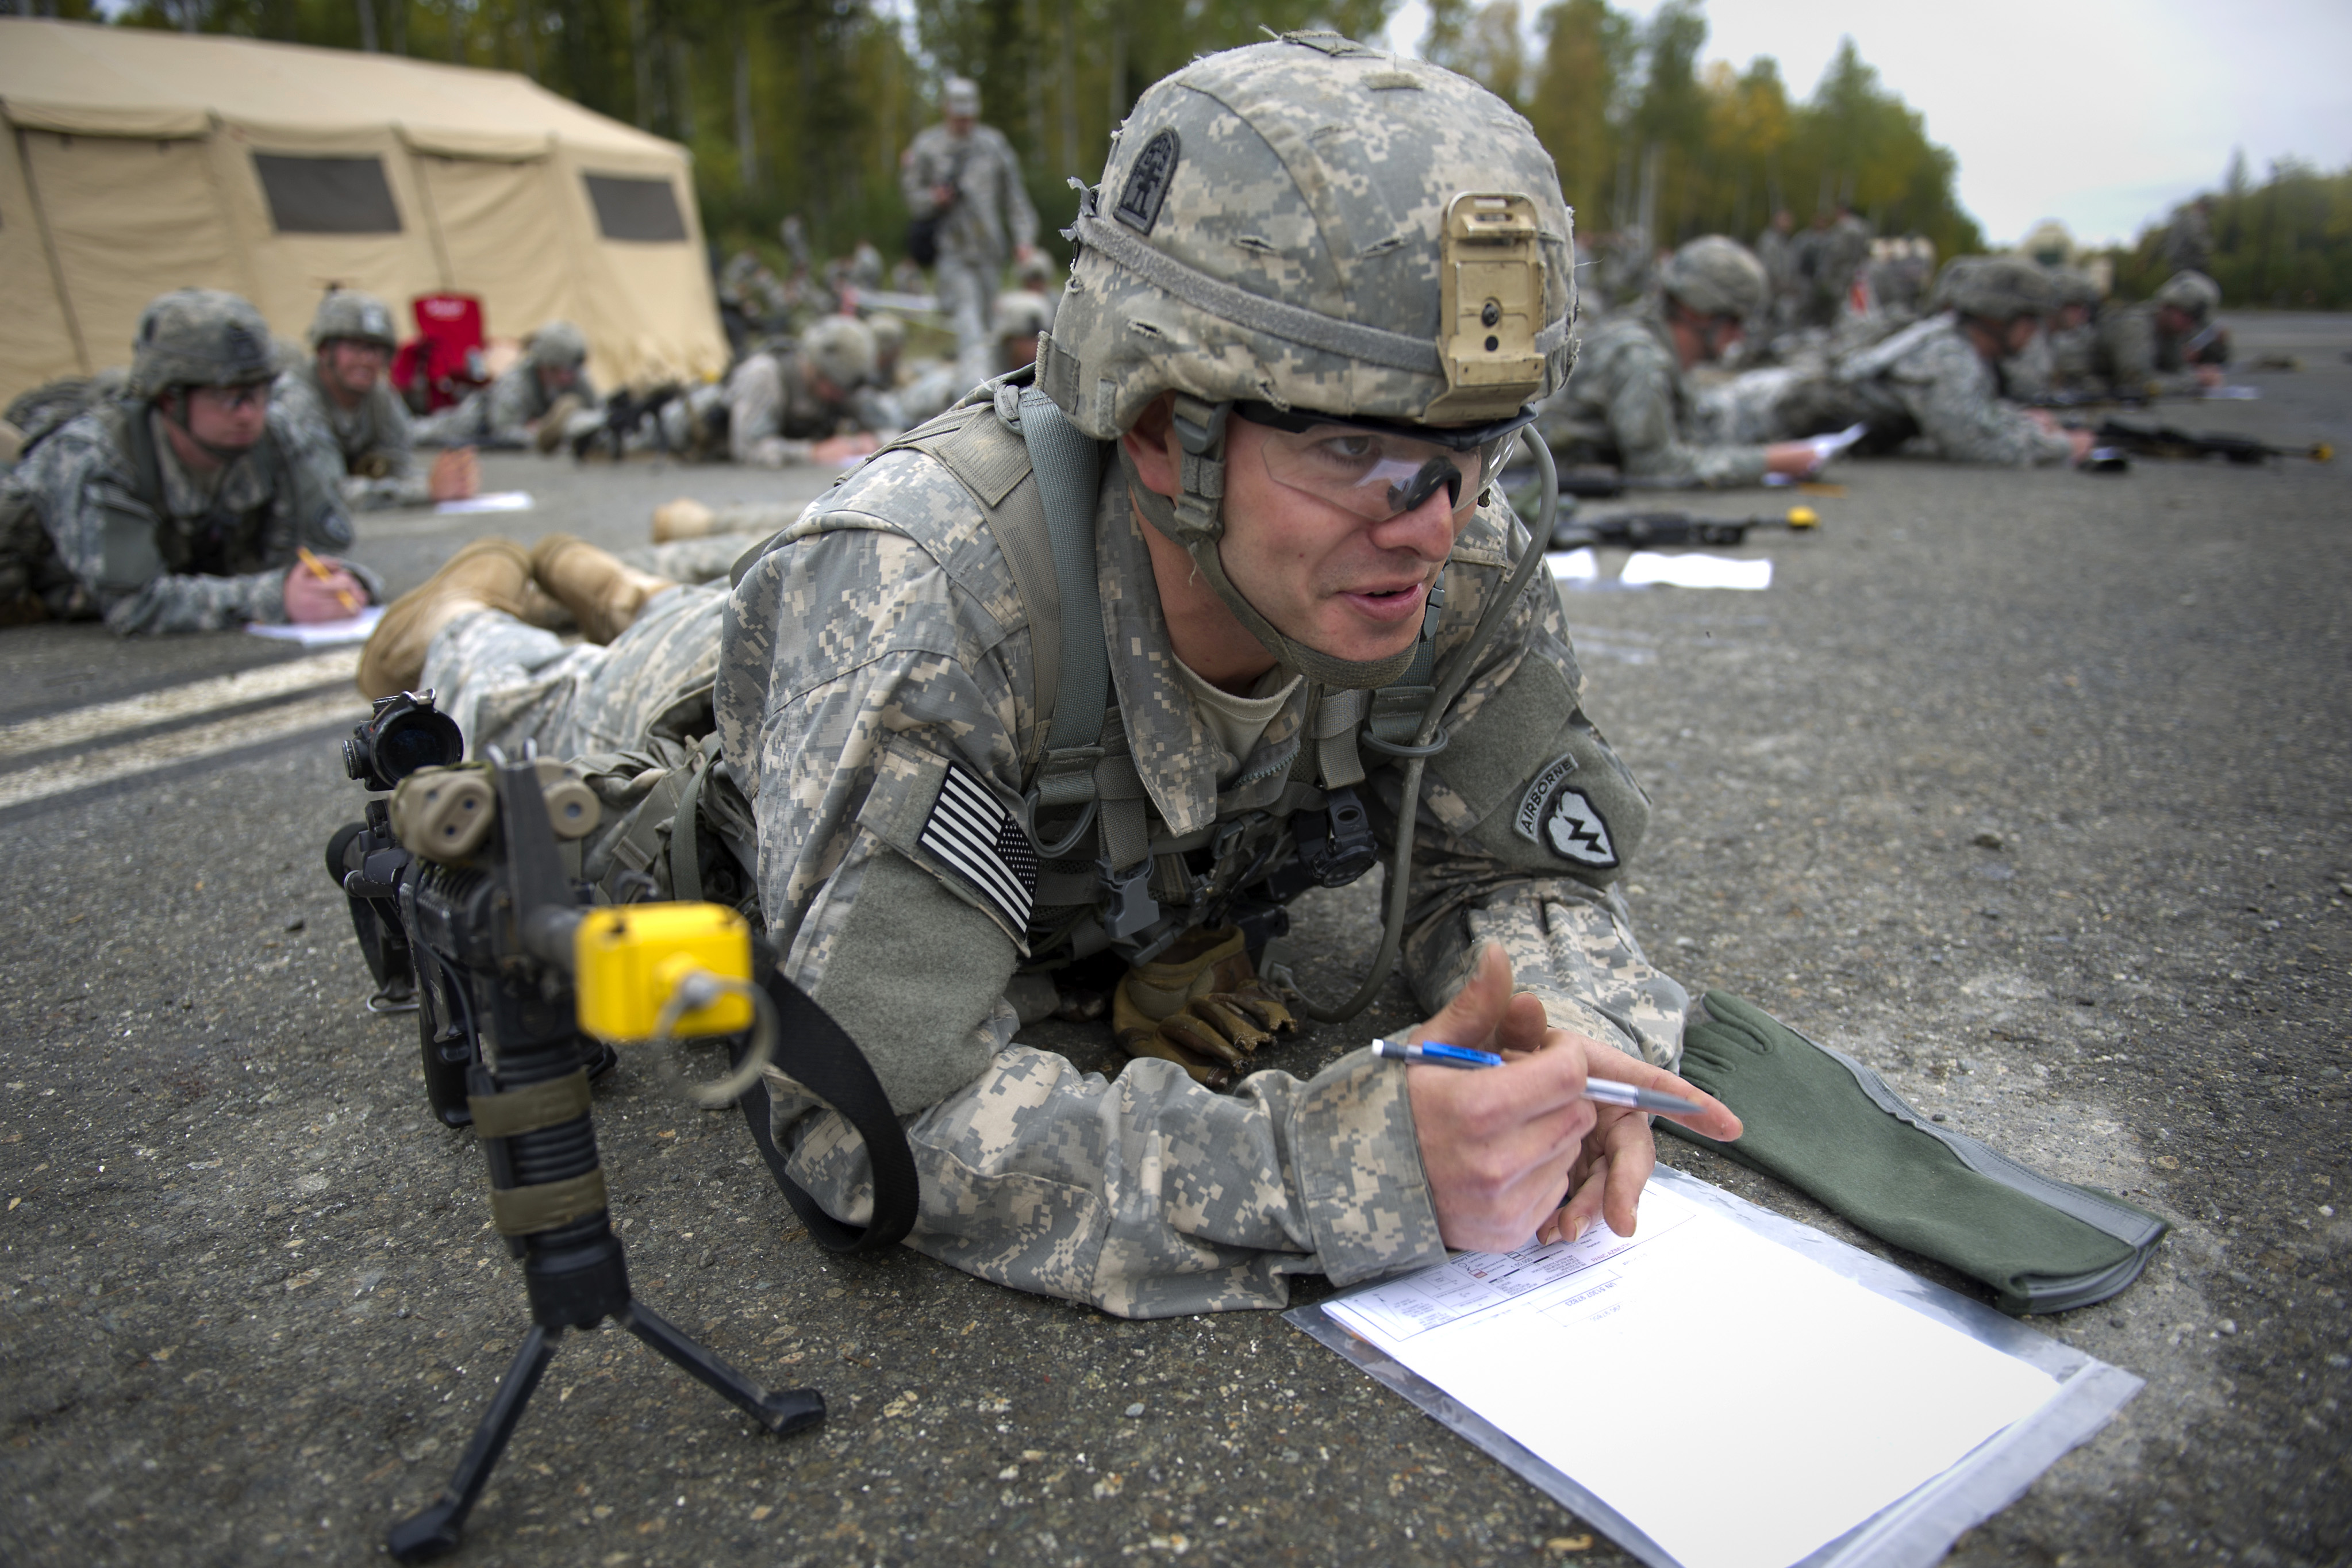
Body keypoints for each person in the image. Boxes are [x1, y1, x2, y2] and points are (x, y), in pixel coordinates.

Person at [358, 34, 1739, 1317]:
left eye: (1475, 447)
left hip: (895, 682)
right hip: (722, 734)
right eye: (1360, 454)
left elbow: (1519, 875)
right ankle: (496, 614)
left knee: (698, 600)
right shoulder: (932, 586)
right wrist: (1340, 1170)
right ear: (1157, 428)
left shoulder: (1448, 549)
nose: (1432, 522)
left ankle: (619, 574)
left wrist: (1569, 1054)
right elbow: (868, 1116)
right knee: (543, 697)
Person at [0, 288, 371, 634]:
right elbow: (134, 603)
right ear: (169, 400)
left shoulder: (275, 436)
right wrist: (276, 598)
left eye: (259, 393)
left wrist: (336, 585)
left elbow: (318, 551)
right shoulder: (98, 454)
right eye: (229, 396)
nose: (249, 413)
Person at [1536, 236, 1838, 488]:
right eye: (1735, 321)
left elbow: (1690, 433)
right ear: (1700, 313)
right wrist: (1771, 462)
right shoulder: (1640, 357)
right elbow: (1657, 467)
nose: (1740, 335)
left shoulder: (1647, 341)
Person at [1780, 257, 2089, 467]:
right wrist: (2063, 447)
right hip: (1770, 416)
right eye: (2029, 322)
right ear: (2000, 317)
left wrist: (2024, 424)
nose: (2033, 334)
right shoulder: (1948, 355)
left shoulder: (1954, 346)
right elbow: (1973, 443)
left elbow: (1976, 415)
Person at [275, 289, 478, 511]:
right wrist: (426, 490)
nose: (366, 360)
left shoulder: (380, 397)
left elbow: (399, 466)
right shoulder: (297, 400)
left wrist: (449, 482)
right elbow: (325, 493)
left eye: (375, 349)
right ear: (325, 351)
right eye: (354, 347)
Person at [900, 77, 1039, 393]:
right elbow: (912, 199)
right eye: (958, 114)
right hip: (953, 255)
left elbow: (1015, 198)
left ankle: (1001, 394)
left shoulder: (993, 146)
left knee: (994, 331)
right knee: (971, 331)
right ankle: (975, 404)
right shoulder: (928, 147)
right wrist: (933, 199)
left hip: (990, 254)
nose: (964, 121)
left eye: (969, 114)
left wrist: (1024, 239)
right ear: (947, 109)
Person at [725, 316, 886, 468]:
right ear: (815, 369)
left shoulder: (846, 382)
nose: (840, 396)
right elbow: (748, 448)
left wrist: (871, 443)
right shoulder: (764, 375)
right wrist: (814, 452)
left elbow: (894, 429)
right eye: (834, 387)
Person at [414, 320, 596, 451]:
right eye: (566, 370)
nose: (573, 376)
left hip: (496, 424)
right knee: (417, 434)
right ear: (548, 366)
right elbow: (504, 432)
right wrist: (542, 433)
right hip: (467, 423)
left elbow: (596, 408)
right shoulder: (516, 383)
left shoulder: (574, 377)